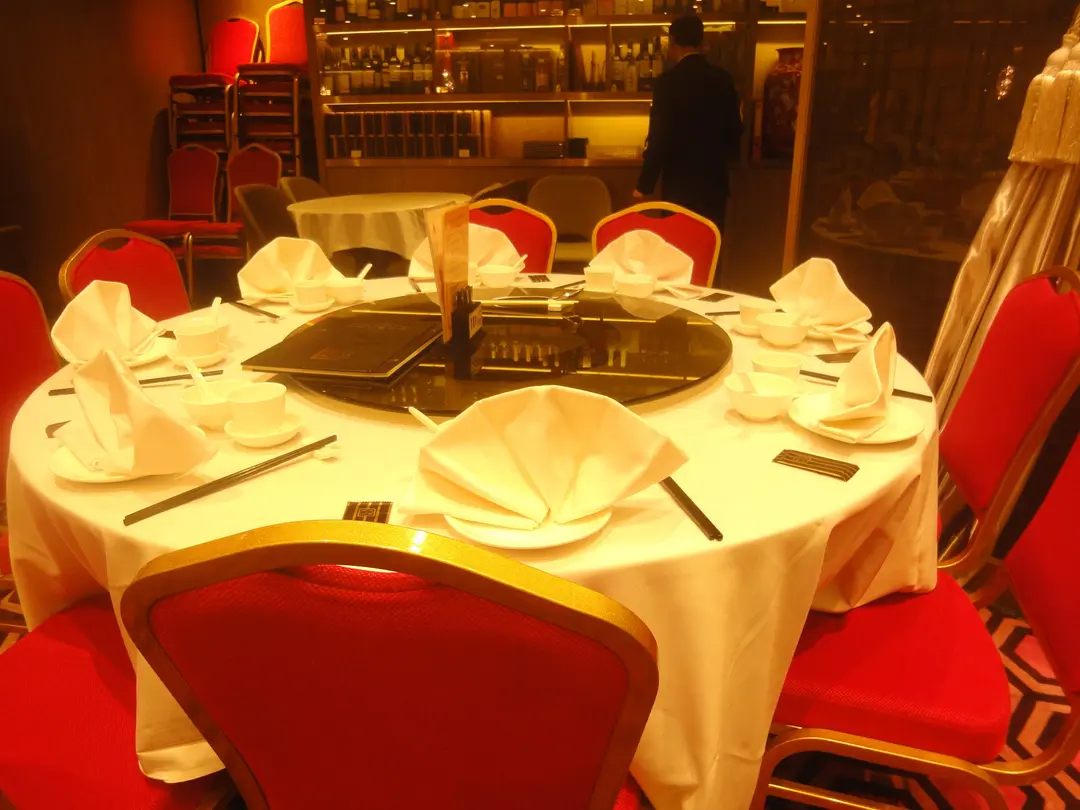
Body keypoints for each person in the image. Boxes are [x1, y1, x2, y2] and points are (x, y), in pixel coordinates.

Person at [634, 15, 743, 238]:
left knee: (678, 246)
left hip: (679, 185)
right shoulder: (722, 79)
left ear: (673, 41)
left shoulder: (668, 82)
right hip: (714, 183)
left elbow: (659, 138)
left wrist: (644, 185)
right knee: (710, 246)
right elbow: (735, 130)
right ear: (701, 41)